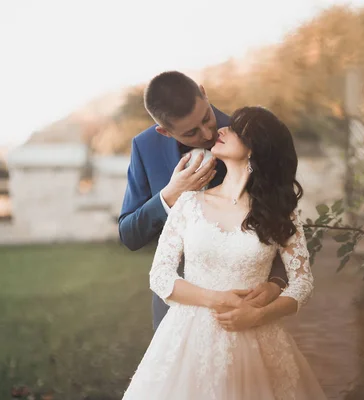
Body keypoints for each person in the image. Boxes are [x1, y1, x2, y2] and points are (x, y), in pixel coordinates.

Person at [122, 106, 327, 399]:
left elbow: (303, 282)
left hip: (257, 336)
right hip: (189, 340)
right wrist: (217, 299)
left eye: (235, 130)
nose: (221, 129)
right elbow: (160, 276)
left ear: (254, 149)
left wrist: (259, 315)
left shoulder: (280, 212)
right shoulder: (189, 203)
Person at [118, 71, 288, 330]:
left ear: (204, 93)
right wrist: (170, 195)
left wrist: (275, 284)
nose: (208, 133)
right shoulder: (145, 147)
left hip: (244, 307)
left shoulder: (247, 136)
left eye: (207, 118)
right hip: (175, 312)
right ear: (164, 132)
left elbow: (282, 222)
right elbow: (129, 235)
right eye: (191, 132)